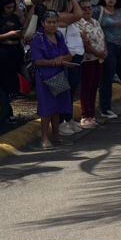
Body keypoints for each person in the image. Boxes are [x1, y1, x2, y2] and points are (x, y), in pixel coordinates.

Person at [30, 10, 76, 148]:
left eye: (54, 22)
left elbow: (68, 54)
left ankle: (56, 135)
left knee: (57, 107)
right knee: (46, 108)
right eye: (49, 22)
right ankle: (44, 138)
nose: (52, 25)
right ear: (43, 23)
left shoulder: (59, 35)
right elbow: (37, 61)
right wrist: (53, 62)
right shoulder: (38, 38)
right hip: (45, 77)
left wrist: (61, 59)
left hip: (60, 75)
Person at [95, 0, 121, 118]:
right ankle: (105, 108)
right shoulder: (99, 10)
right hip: (107, 46)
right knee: (107, 78)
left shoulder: (120, 11)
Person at [73, 0, 107, 128]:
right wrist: (98, 53)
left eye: (89, 8)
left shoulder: (95, 22)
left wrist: (104, 51)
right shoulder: (79, 24)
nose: (87, 10)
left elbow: (102, 38)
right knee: (86, 88)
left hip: (98, 60)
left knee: (94, 87)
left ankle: (92, 114)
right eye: (84, 8)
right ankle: (85, 115)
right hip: (87, 60)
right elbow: (86, 45)